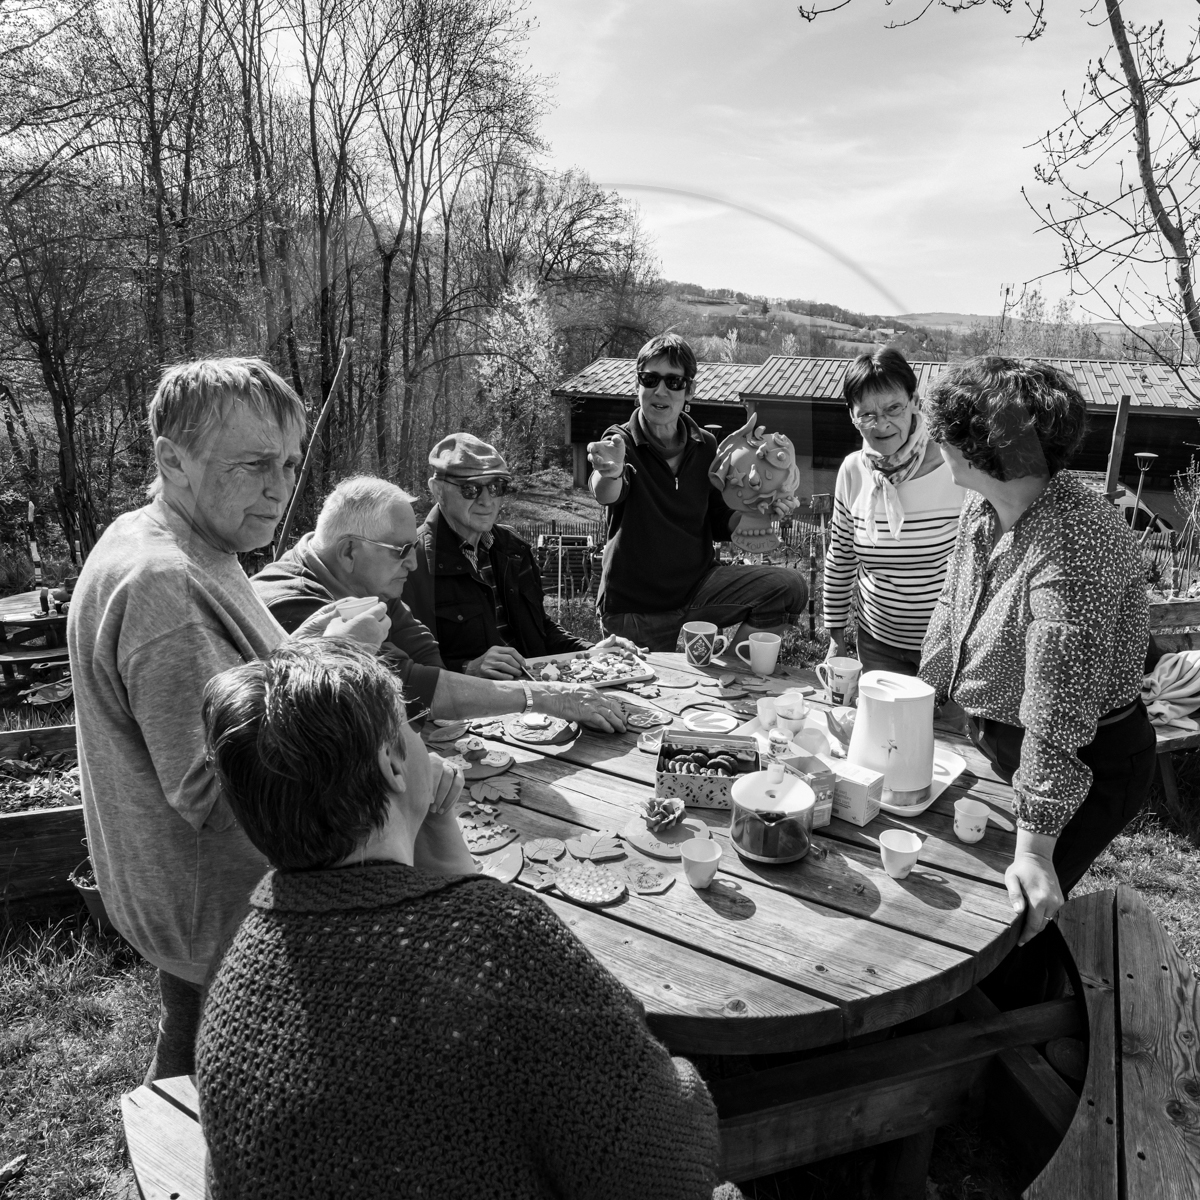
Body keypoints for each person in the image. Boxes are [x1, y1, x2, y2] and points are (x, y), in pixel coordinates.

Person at [196, 639, 743, 1200]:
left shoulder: (236, 967)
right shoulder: (497, 940)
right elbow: (664, 1166)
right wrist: (688, 1080)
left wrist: (440, 838)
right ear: (391, 763)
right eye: (411, 724)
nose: (421, 736)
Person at [66, 357, 401, 1083]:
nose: (281, 489)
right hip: (219, 905)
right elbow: (216, 793)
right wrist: (334, 668)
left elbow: (236, 685)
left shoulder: (189, 541)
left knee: (193, 1044)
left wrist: (306, 647)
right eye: (254, 465)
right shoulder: (165, 583)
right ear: (172, 459)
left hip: (195, 902)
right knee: (233, 1082)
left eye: (287, 463)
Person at [919, 357, 1156, 948]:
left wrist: (1035, 848)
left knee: (1012, 922)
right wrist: (922, 702)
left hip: (1087, 761)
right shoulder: (984, 509)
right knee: (967, 902)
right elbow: (951, 611)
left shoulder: (1077, 539)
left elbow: (1059, 706)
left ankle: (1039, 1020)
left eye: (946, 429)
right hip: (1001, 740)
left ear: (980, 445)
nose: (936, 440)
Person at [253, 475, 628, 730]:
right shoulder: (292, 602)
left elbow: (423, 658)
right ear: (349, 550)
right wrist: (545, 698)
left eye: (413, 548)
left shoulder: (360, 577)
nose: (413, 563)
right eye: (401, 551)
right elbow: (408, 685)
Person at [586, 333, 807, 654]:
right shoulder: (620, 442)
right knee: (650, 696)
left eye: (674, 382)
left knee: (789, 587)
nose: (660, 390)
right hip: (636, 608)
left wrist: (766, 512)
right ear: (638, 386)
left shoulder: (705, 445)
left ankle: (733, 670)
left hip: (697, 589)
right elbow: (607, 492)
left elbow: (719, 522)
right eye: (650, 379)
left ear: (689, 390)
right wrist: (611, 472)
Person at [404, 433, 640, 679]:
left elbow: (540, 631)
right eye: (470, 489)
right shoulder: (412, 562)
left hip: (535, 690)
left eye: (496, 487)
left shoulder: (512, 549)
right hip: (468, 707)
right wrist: (467, 669)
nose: (487, 500)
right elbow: (399, 667)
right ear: (438, 491)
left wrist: (591, 652)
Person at [823, 348, 965, 676]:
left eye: (893, 408)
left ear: (915, 401)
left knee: (942, 730)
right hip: (877, 645)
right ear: (851, 415)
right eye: (867, 414)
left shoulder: (954, 466)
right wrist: (835, 637)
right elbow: (841, 557)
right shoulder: (852, 471)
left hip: (947, 649)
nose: (882, 424)